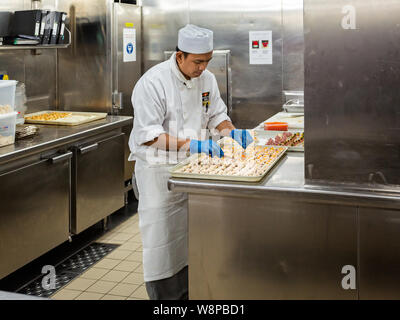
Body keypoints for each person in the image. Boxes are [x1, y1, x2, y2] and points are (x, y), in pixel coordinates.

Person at [128, 24, 253, 300]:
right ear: (179, 55)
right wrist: (192, 144)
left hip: (192, 173)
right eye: (197, 61)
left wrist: (230, 132)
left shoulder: (206, 80)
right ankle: (165, 300)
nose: (202, 68)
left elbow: (217, 115)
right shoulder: (153, 82)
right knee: (164, 246)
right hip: (159, 176)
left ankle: (192, 294)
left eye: (207, 61)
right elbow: (148, 136)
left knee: (193, 241)